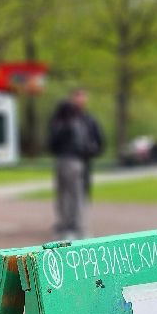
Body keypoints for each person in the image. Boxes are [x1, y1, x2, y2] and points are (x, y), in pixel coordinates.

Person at [46, 89, 102, 237]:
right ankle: (72, 226)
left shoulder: (80, 120)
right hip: (73, 160)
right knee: (72, 194)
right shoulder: (75, 122)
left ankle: (70, 226)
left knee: (70, 194)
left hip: (72, 160)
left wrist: (89, 151)